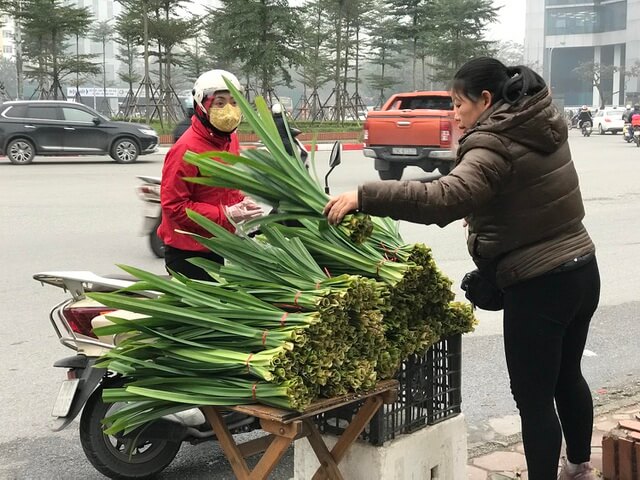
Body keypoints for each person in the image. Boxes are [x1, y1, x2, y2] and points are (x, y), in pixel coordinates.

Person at [324, 57, 600, 480]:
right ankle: (579, 465)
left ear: (485, 100)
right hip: (582, 268)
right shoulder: (538, 120)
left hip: (541, 284)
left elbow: (445, 198)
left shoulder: (494, 142)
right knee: (567, 376)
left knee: (533, 396)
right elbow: (521, 194)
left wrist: (366, 195)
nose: (454, 113)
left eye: (458, 104)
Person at [158, 69, 263, 280]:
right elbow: (174, 207)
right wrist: (226, 214)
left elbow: (225, 189)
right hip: (189, 252)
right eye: (220, 103)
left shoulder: (230, 140)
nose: (229, 110)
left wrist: (243, 202)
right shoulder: (186, 149)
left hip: (219, 243)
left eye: (234, 102)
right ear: (202, 106)